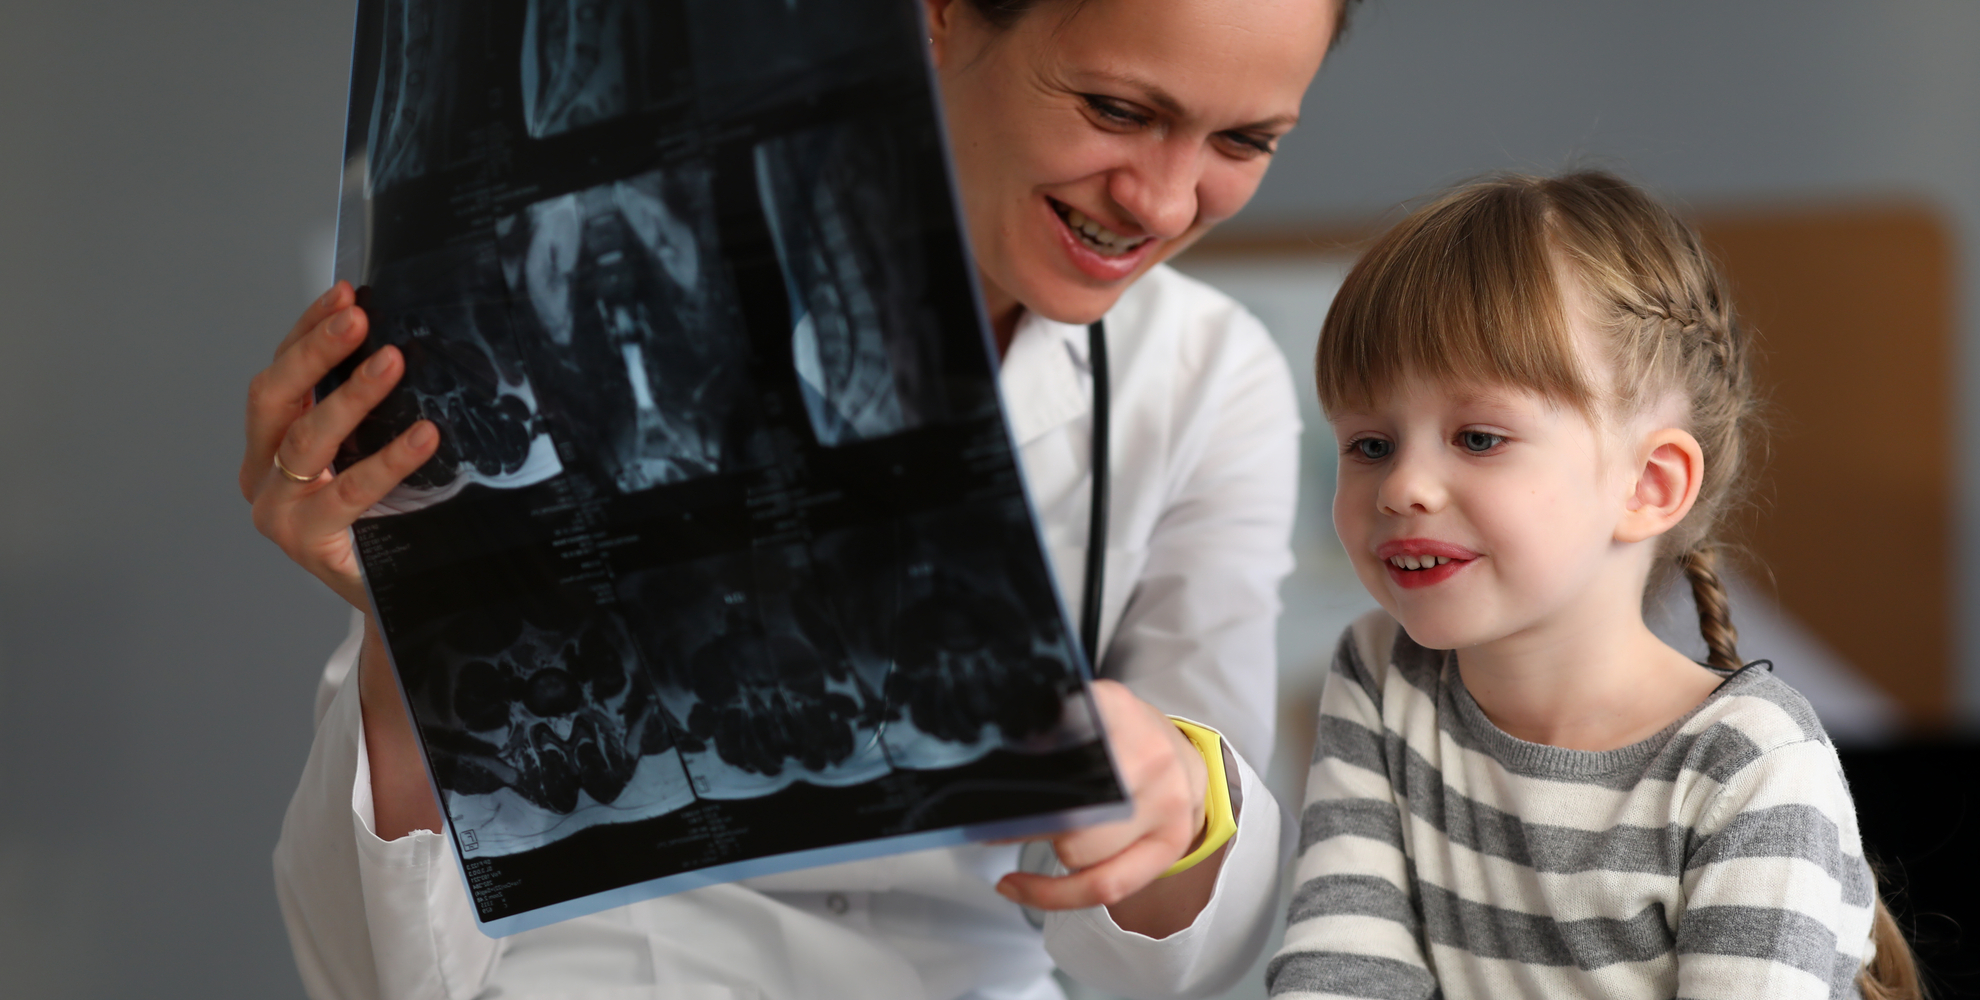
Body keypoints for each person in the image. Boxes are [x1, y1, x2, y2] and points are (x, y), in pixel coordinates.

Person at [246, 1, 1353, 997]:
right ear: (941, 17)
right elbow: (385, 975)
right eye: (1114, 107)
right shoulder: (592, 283)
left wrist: (1177, 793)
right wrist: (412, 619)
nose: (1162, 197)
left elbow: (1180, 961)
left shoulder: (1209, 375)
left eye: (1243, 140)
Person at [1265, 172, 1922, 998]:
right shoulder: (1379, 672)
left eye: (1477, 436)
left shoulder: (1750, 765)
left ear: (1649, 484)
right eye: (1368, 444)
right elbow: (1343, 975)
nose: (1403, 487)